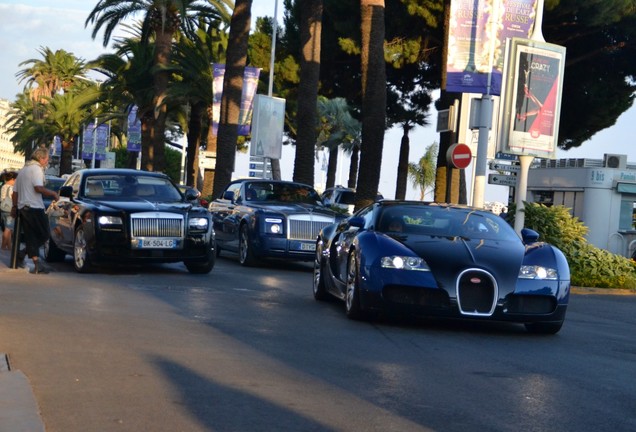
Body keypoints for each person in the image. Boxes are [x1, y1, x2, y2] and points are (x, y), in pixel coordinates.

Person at [10, 147, 59, 274]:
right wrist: (53, 193)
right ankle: (22, 253)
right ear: (41, 158)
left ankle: (37, 265)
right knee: (45, 234)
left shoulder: (23, 170)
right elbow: (38, 188)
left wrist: (14, 207)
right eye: (47, 159)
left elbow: (14, 193)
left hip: (23, 208)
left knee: (31, 236)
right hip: (34, 207)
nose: (47, 162)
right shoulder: (36, 169)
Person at [1, 170, 18, 250]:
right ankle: (3, 247)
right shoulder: (11, 188)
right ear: (13, 179)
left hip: (3, 209)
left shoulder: (4, 186)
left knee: (8, 228)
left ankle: (9, 247)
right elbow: (13, 197)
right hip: (9, 209)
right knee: (8, 229)